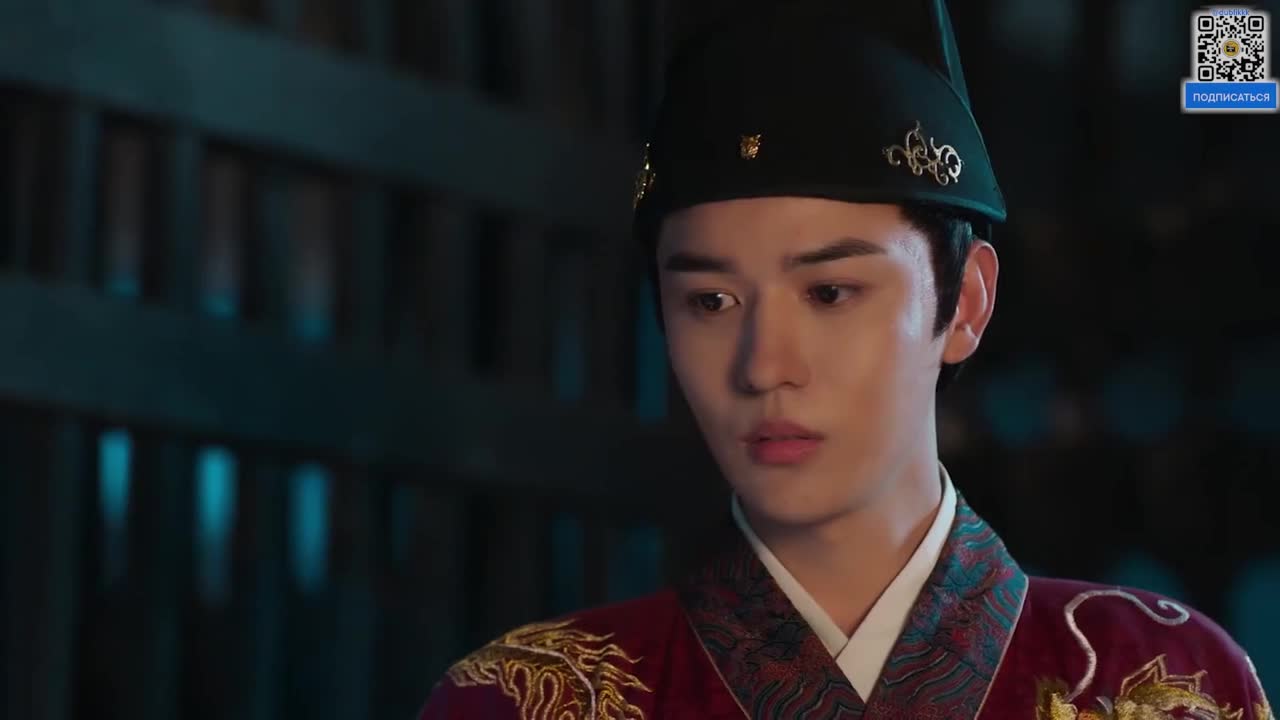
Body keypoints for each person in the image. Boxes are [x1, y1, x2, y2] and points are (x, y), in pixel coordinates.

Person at [419, 1, 1273, 717]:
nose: (763, 366)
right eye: (711, 301)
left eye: (829, 292)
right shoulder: (525, 701)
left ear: (965, 303)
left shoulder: (1162, 683)